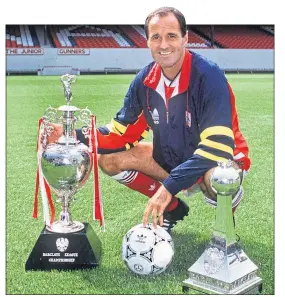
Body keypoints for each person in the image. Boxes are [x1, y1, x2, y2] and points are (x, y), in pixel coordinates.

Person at [48, 7, 250, 233]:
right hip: (174, 157)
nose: (164, 45)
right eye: (156, 37)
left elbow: (218, 147)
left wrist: (167, 188)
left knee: (222, 176)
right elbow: (120, 133)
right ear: (148, 42)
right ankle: (173, 209)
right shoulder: (145, 81)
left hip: (217, 160)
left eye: (171, 36)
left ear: (185, 38)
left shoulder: (208, 75)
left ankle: (224, 236)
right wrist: (68, 134)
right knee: (110, 159)